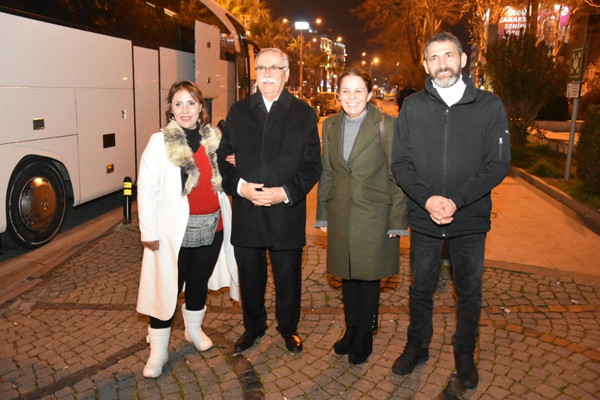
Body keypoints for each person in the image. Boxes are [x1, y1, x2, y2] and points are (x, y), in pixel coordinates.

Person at [391, 32, 510, 389]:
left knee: (470, 291)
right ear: (426, 64)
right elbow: (401, 162)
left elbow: (498, 164)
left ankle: (464, 355)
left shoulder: (489, 106)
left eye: (448, 55)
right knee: (420, 288)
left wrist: (456, 201)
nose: (442, 64)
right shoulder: (412, 107)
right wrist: (428, 200)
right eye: (434, 58)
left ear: (462, 59)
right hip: (424, 218)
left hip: (470, 219)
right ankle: (417, 347)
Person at [216, 48, 322, 354]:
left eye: (274, 68)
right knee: (250, 276)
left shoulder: (303, 114)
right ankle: (253, 327)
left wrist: (285, 192)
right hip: (247, 209)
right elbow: (223, 158)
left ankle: (288, 328)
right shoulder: (238, 112)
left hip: (285, 211)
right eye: (261, 68)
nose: (267, 74)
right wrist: (241, 187)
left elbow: (313, 164)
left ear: (286, 74)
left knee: (288, 276)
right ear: (255, 74)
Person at [136, 80, 239, 378]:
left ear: (201, 108)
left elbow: (225, 175)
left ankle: (193, 330)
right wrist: (149, 233)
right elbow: (147, 188)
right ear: (170, 107)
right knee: (166, 287)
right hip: (172, 232)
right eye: (178, 103)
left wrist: (233, 162)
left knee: (197, 282)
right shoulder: (160, 141)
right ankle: (158, 349)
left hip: (212, 227)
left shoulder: (214, 140)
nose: (185, 110)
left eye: (191, 103)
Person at [316, 67, 407, 365]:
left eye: (358, 91)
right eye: (346, 91)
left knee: (368, 277)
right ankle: (351, 327)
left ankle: (365, 334)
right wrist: (323, 215)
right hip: (342, 211)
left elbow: (398, 175)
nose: (352, 97)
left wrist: (397, 220)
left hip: (374, 214)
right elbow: (327, 173)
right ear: (338, 94)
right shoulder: (329, 126)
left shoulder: (386, 125)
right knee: (346, 274)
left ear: (369, 94)